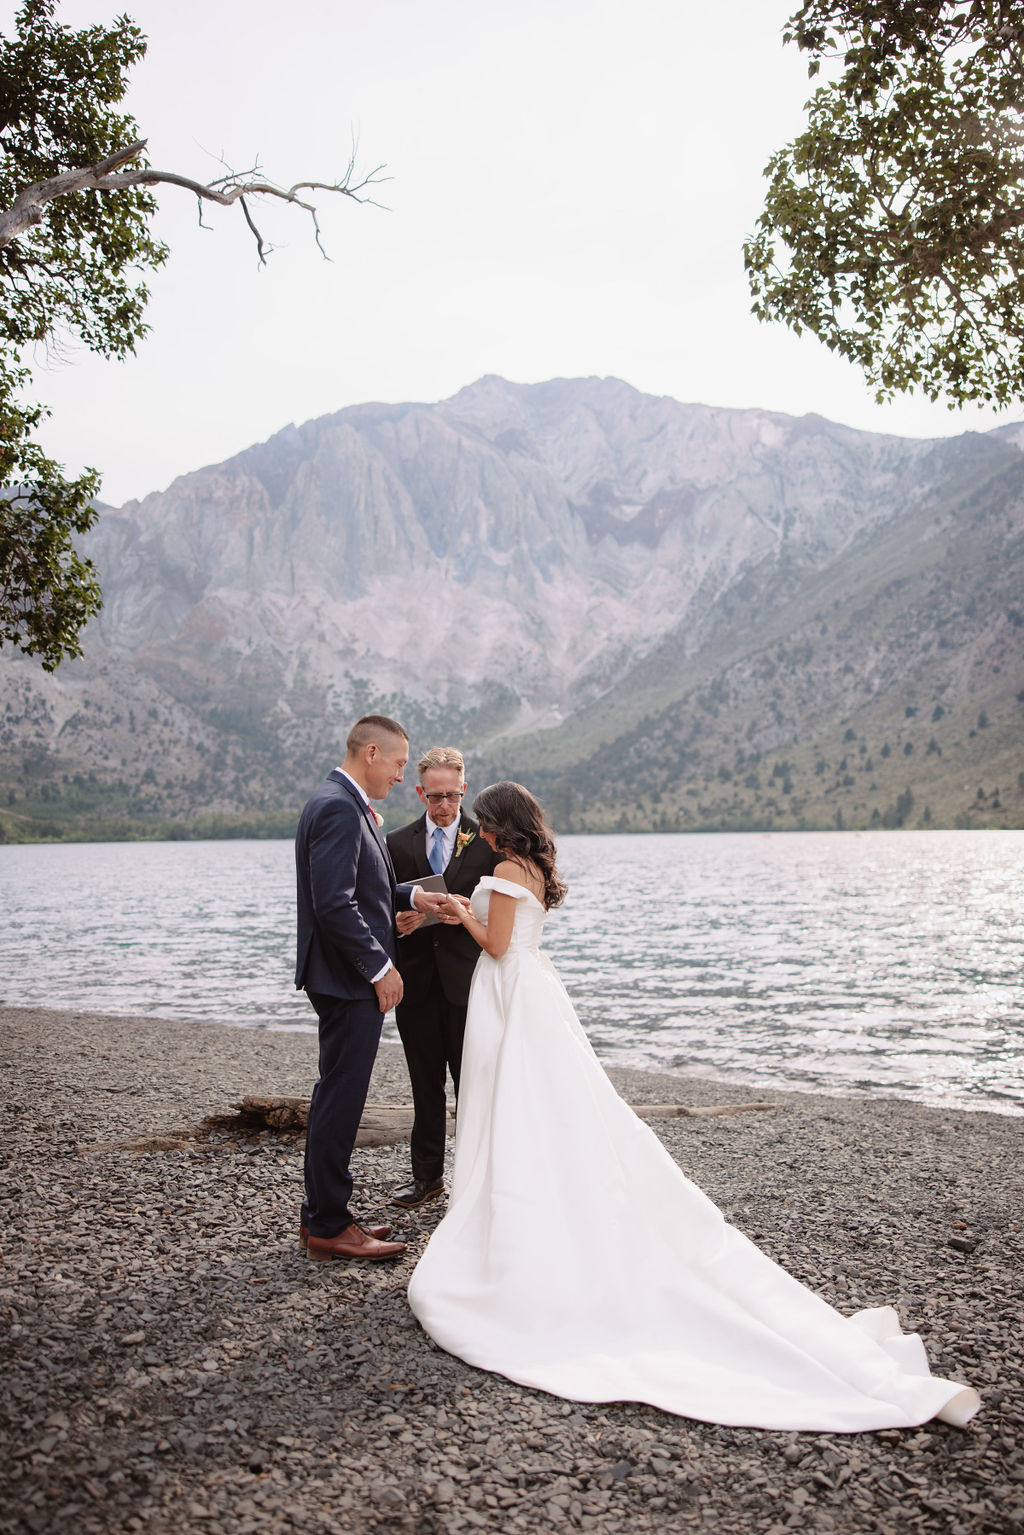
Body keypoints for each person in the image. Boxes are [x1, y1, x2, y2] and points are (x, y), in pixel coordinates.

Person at [408, 782, 980, 1432]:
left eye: (485, 824)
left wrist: (461, 912)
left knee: (516, 1108)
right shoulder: (535, 866)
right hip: (535, 991)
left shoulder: (508, 869)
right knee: (556, 1109)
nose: (480, 834)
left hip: (511, 993)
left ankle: (516, 1220)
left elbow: (497, 945)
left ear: (502, 825)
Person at [294, 715, 446, 1262]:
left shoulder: (343, 801)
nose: (403, 777)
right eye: (402, 764)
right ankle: (330, 1225)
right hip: (347, 978)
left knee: (338, 1092)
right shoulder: (338, 806)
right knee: (341, 1096)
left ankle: (325, 1216)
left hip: (340, 976)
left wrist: (411, 899)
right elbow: (334, 903)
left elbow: (367, 885)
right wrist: (381, 968)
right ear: (373, 753)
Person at [386, 747, 499, 1208]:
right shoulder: (395, 842)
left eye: (451, 796)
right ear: (420, 792)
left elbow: (498, 908)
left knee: (473, 1085)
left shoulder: (488, 841)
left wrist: (465, 916)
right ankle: (426, 1179)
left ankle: (477, 1184)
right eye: (434, 797)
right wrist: (399, 920)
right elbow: (381, 903)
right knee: (424, 1084)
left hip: (468, 982)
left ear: (464, 790)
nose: (444, 806)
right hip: (416, 982)